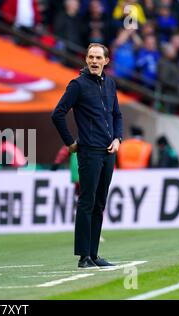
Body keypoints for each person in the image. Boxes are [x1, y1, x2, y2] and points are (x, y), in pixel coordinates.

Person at [51, 43, 123, 269]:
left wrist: (118, 139)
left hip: (108, 152)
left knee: (99, 203)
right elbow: (58, 114)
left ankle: (94, 253)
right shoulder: (77, 85)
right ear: (86, 59)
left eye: (98, 57)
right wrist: (70, 143)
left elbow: (117, 116)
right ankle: (83, 257)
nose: (93, 61)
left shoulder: (110, 84)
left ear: (106, 61)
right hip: (89, 152)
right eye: (90, 57)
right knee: (87, 201)